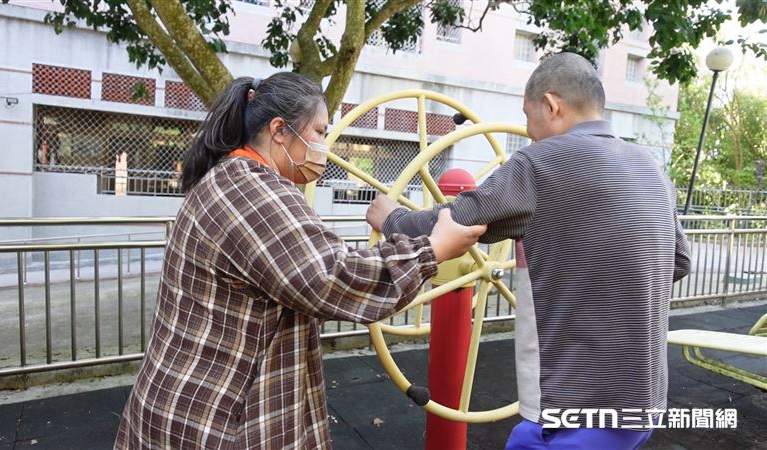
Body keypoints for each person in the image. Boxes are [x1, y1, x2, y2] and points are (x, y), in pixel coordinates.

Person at [115, 72, 486, 449]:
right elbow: (331, 276)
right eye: (320, 132)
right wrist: (433, 249)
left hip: (183, 397)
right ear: (279, 130)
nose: (325, 146)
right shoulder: (256, 193)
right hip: (219, 418)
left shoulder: (226, 178)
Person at [367, 53, 692, 450]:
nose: (526, 129)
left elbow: (455, 221)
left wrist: (392, 218)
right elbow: (677, 260)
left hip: (574, 406)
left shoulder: (539, 163)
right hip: (644, 399)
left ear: (552, 105)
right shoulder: (651, 167)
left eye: (527, 114)